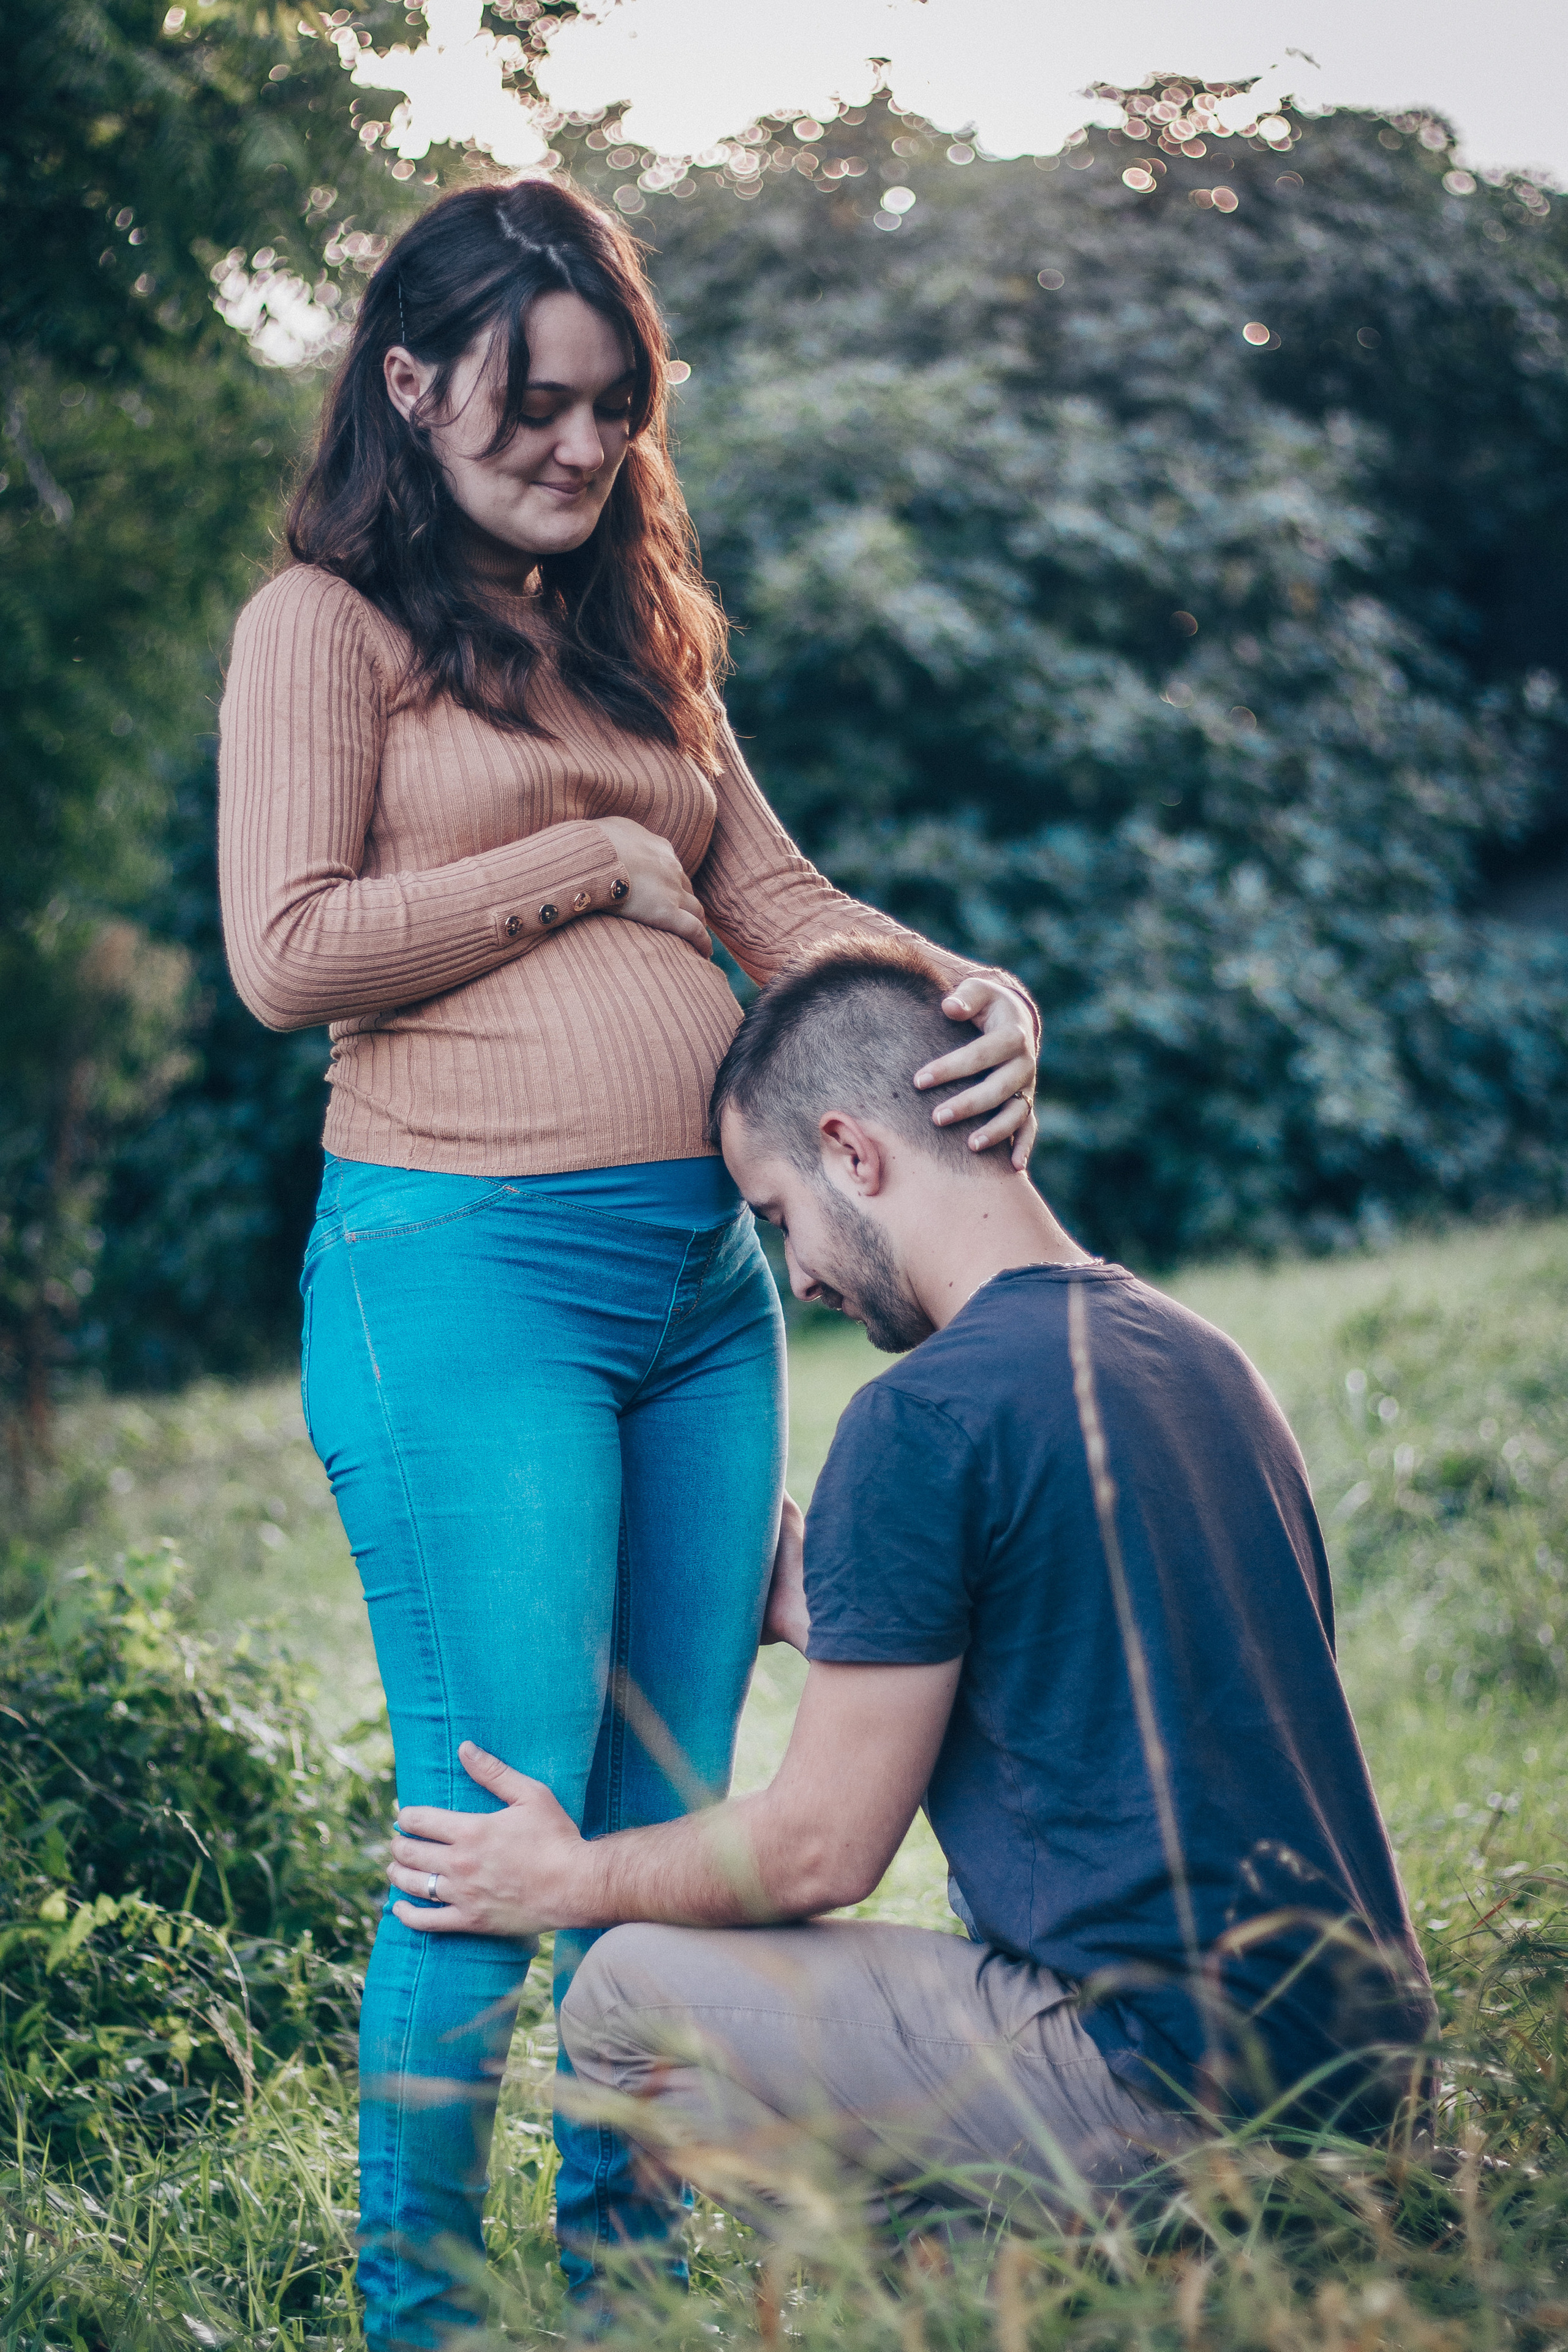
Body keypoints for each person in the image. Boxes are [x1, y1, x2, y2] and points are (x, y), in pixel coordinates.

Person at [217, 178, 1041, 2345]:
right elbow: (283, 952)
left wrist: (966, 987)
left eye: (613, 411)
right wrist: (581, 862)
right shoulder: (325, 627)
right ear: (409, 385)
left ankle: (626, 2289)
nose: (581, 453)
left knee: (655, 1819)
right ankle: (426, 2314)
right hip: (464, 1284)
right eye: (532, 408)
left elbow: (781, 906)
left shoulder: (634, 631)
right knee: (495, 1821)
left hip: (701, 1303)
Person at [383, 936, 1438, 2262]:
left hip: (1167, 2094)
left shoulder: (920, 1416)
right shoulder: (1200, 1358)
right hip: (1374, 2090)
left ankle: (1014, 2285)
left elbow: (821, 1851)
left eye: (777, 1219)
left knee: (621, 1991)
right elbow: (1120, 1655)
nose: (801, 1277)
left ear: (852, 1152)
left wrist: (563, 1875)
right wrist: (832, 1601)